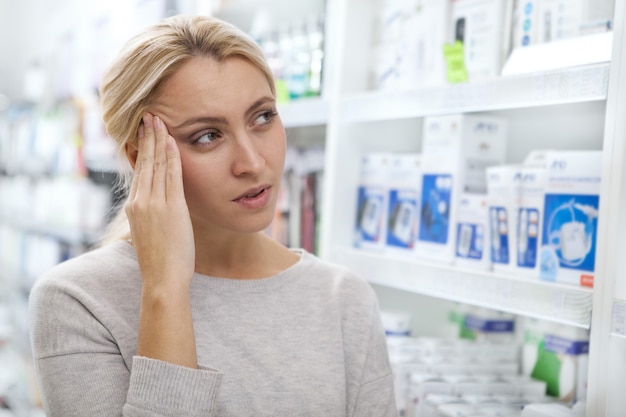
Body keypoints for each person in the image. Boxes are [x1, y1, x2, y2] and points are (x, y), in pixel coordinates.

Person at [28, 14, 396, 417]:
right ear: (141, 157)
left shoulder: (344, 299)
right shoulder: (77, 301)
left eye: (263, 117)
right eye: (207, 136)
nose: (252, 163)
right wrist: (165, 289)